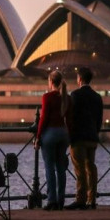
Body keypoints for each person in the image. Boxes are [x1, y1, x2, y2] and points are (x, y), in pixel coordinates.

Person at [65, 66, 103, 210]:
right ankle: (91, 199)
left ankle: (80, 199)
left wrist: (69, 135)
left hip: (78, 138)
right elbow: (99, 119)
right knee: (91, 168)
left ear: (79, 79)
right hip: (92, 138)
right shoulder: (97, 97)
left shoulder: (75, 95)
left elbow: (71, 117)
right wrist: (95, 132)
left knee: (80, 169)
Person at [34, 70, 70, 211]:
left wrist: (38, 137)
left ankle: (52, 201)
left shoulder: (47, 97)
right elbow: (70, 118)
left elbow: (43, 119)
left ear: (50, 82)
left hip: (50, 134)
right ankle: (61, 200)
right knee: (61, 168)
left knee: (49, 167)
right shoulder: (66, 97)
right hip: (63, 133)